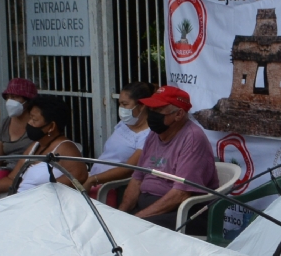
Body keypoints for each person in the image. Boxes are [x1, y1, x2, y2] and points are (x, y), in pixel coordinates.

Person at [89, 85, 217, 230]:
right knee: (105, 224)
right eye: (151, 109)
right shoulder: (153, 135)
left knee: (129, 230)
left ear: (179, 114)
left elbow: (180, 194)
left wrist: (137, 219)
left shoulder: (192, 138)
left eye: (158, 110)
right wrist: (122, 213)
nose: (152, 114)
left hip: (181, 211)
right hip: (148, 206)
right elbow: (137, 179)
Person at [0, 96, 88, 207]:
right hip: (20, 204)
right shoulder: (36, 146)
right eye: (29, 118)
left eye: (34, 120)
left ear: (51, 126)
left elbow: (80, 176)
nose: (29, 124)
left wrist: (45, 192)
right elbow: (12, 179)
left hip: (39, 209)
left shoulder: (65, 147)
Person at [0, 77, 39, 185]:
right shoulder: (5, 124)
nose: (10, 102)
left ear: (28, 100)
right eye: (8, 97)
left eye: (15, 97)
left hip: (29, 176)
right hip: (4, 175)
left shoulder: (37, 124)